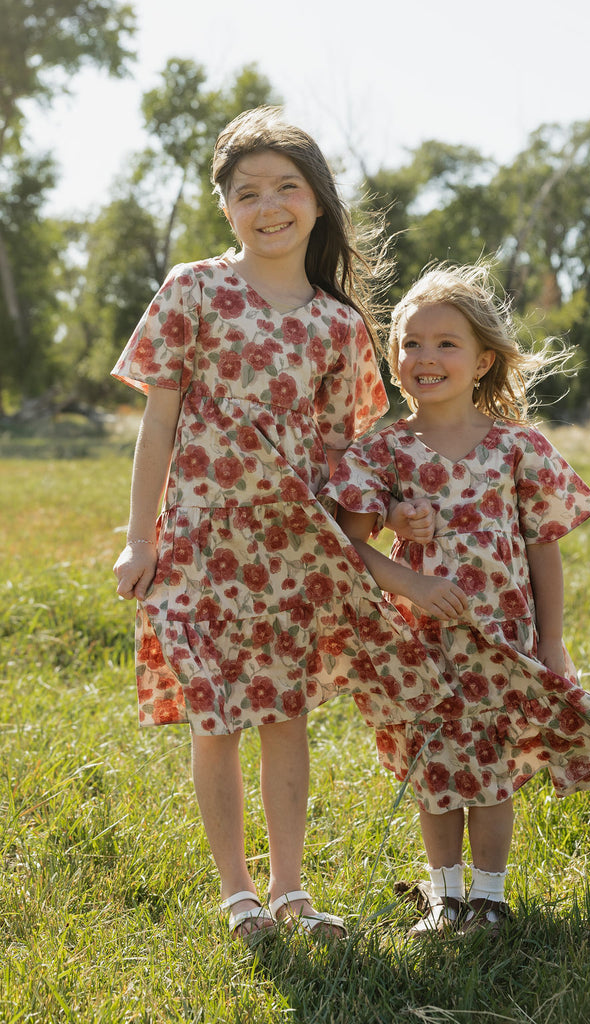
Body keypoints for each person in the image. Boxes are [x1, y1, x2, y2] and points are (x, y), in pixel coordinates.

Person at [111, 107, 454, 947]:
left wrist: (382, 521)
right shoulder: (193, 289)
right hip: (199, 543)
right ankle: (239, 898)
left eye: (286, 188)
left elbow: (344, 455)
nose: (268, 207)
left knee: (283, 714)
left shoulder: (338, 325)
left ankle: (291, 892)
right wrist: (140, 538)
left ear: (317, 200)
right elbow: (159, 424)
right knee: (216, 718)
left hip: (294, 551)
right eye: (248, 192)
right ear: (225, 206)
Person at [322, 262, 590, 937]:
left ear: (483, 361)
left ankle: (489, 899)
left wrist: (553, 643)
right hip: (421, 643)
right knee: (436, 768)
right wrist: (410, 576)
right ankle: (446, 899)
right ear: (394, 358)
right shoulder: (383, 451)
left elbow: (543, 549)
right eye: (411, 343)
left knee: (494, 767)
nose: (426, 357)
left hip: (503, 639)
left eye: (447, 343)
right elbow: (347, 547)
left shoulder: (517, 447)